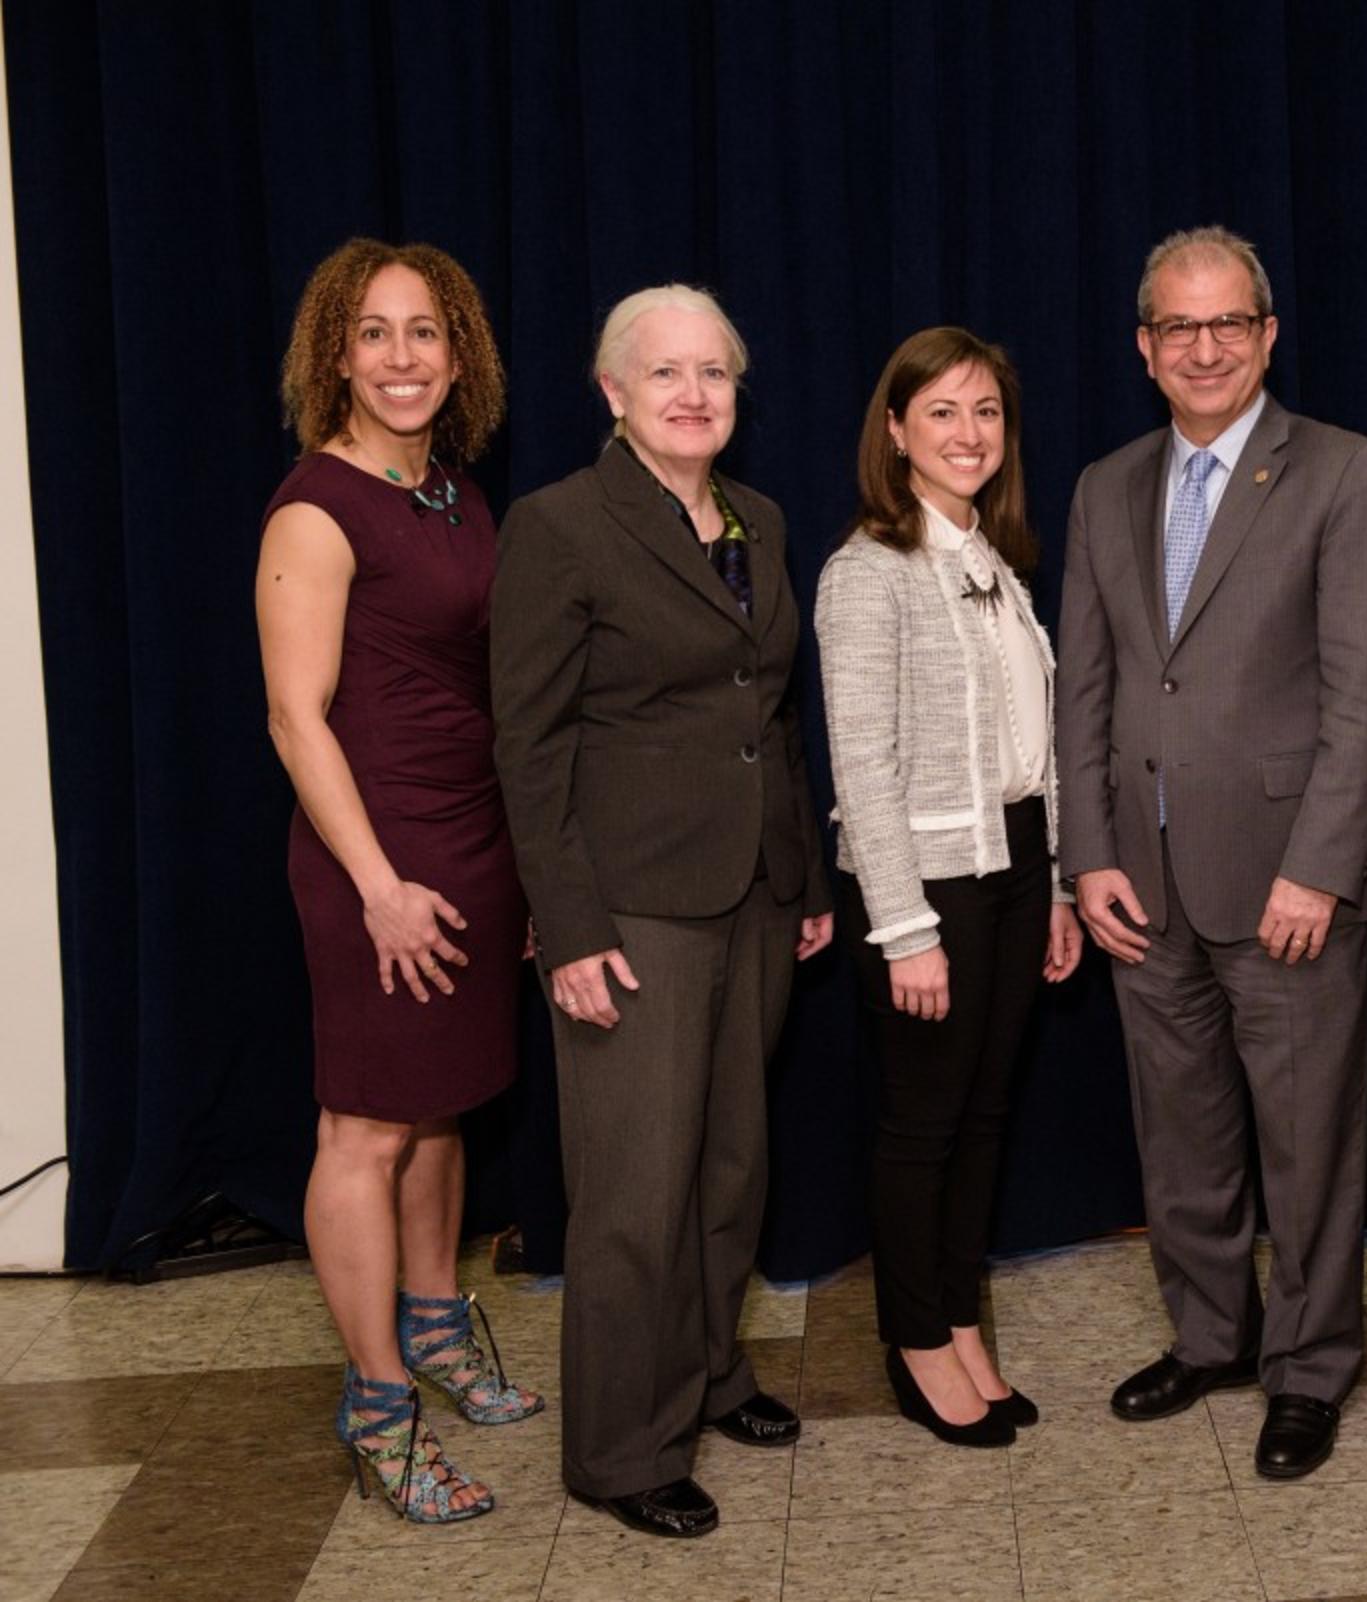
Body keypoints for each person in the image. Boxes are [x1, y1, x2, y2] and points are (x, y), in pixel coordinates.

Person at [1056, 225, 1367, 1480]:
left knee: (1310, 1142)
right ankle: (1212, 1335)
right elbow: (1087, 690)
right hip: (1141, 887)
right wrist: (1085, 855)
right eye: (1178, 328)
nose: (1204, 348)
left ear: (1268, 336)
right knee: (1182, 1136)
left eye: (1229, 325)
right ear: (1145, 349)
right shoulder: (1105, 485)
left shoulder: (1343, 473)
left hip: (1286, 886)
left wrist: (1321, 867)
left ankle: (1309, 1368)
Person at [490, 284, 836, 1539]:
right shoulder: (562, 526)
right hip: (631, 909)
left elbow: (771, 713)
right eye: (667, 373)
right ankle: (622, 1451)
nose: (694, 394)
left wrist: (802, 878)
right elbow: (526, 749)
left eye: (715, 374)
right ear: (614, 393)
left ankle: (708, 1377)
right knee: (636, 1191)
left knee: (731, 1166)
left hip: (755, 895)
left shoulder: (762, 521)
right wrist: (568, 927)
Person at [257, 238, 537, 1524]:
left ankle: (436, 1325)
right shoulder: (318, 506)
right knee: (366, 1128)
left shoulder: (457, 496)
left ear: (459, 352)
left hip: (471, 843)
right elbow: (295, 719)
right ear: (336, 357)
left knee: (444, 1106)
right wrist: (375, 884)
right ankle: (378, 1405)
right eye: (375, 333)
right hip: (374, 853)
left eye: (425, 332)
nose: (404, 356)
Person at [816, 327, 1084, 1448]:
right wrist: (904, 928)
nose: (968, 434)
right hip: (929, 886)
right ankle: (916, 1338)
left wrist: (1059, 886)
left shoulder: (995, 563)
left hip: (1017, 871)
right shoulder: (866, 573)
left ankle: (962, 1320)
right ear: (895, 431)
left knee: (984, 1115)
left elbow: (1037, 747)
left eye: (985, 412)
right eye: (942, 413)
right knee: (922, 1124)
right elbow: (862, 768)